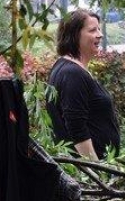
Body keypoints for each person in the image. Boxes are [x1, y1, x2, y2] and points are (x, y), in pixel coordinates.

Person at [47, 9, 120, 160]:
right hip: (88, 174)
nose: (100, 34)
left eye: (99, 29)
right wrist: (96, 173)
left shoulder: (66, 67)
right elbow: (77, 130)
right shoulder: (72, 74)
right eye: (93, 30)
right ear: (74, 35)